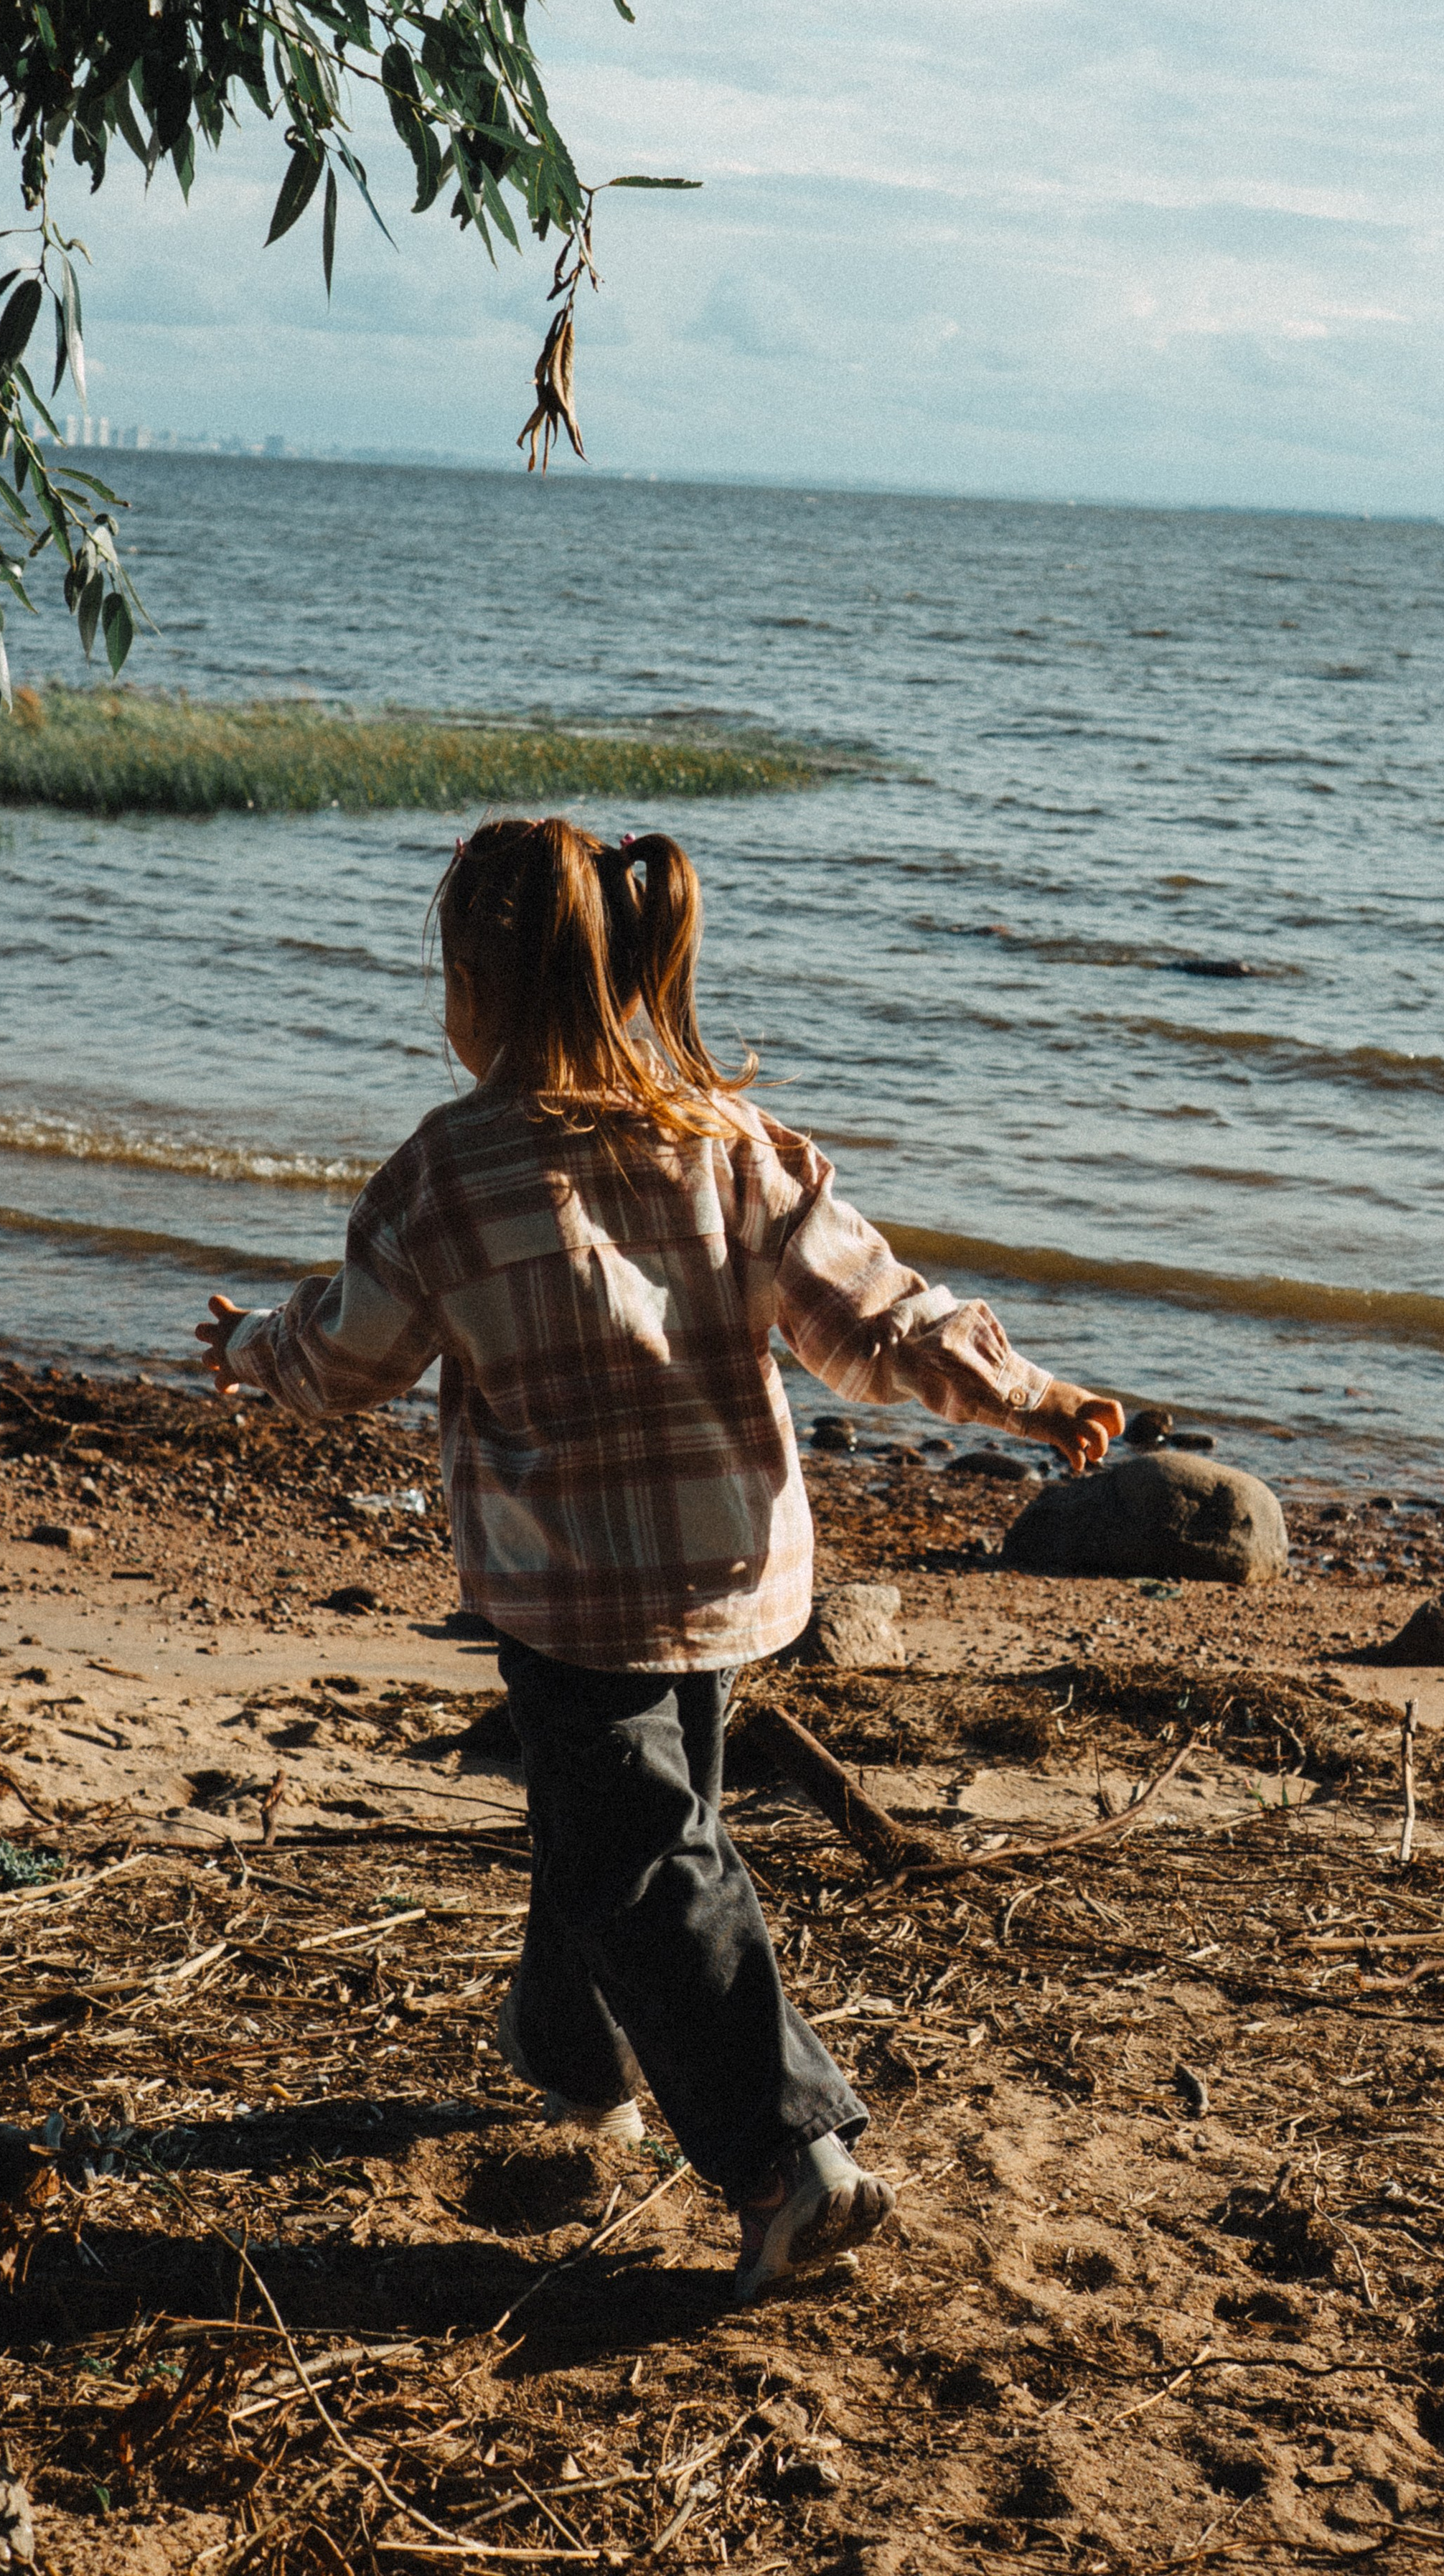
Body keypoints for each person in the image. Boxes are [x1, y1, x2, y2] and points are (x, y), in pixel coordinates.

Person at [196, 816, 1122, 2300]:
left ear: (472, 985)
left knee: (644, 1859)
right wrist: (1023, 1393)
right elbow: (872, 1318)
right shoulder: (725, 1143)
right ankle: (571, 2050)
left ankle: (785, 2159)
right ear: (625, 970)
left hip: (567, 1594)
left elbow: (349, 1356)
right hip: (728, 1576)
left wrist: (250, 1349)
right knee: (629, 1833)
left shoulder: (445, 1176)